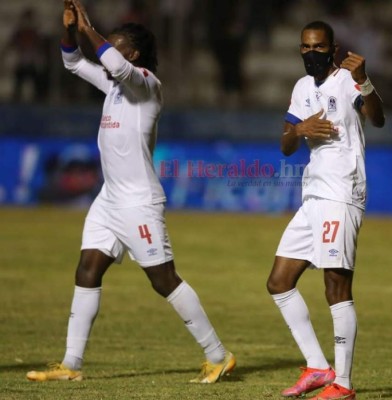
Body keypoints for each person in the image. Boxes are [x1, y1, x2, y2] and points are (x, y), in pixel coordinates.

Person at [26, 0, 235, 383]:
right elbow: (72, 62)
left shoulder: (146, 84)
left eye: (115, 43)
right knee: (87, 269)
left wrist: (90, 28)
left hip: (139, 202)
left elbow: (118, 66)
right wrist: (71, 30)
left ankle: (218, 355)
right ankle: (71, 365)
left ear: (133, 54)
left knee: (163, 279)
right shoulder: (113, 86)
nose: (108, 49)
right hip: (109, 199)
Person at [266, 21, 385, 400]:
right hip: (314, 195)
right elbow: (286, 145)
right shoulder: (302, 88)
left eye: (318, 47)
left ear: (333, 49)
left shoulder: (348, 79)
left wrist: (365, 82)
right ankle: (318, 367)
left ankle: (344, 385)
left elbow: (378, 118)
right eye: (305, 47)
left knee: (336, 285)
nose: (311, 53)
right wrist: (300, 130)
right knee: (279, 281)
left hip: (342, 192)